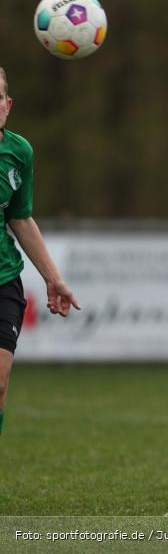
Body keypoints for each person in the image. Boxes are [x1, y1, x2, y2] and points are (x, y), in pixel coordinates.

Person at [0, 66, 81, 437]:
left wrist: (53, 278)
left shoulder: (19, 152)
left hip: (3, 278)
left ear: (8, 105)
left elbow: (20, 217)